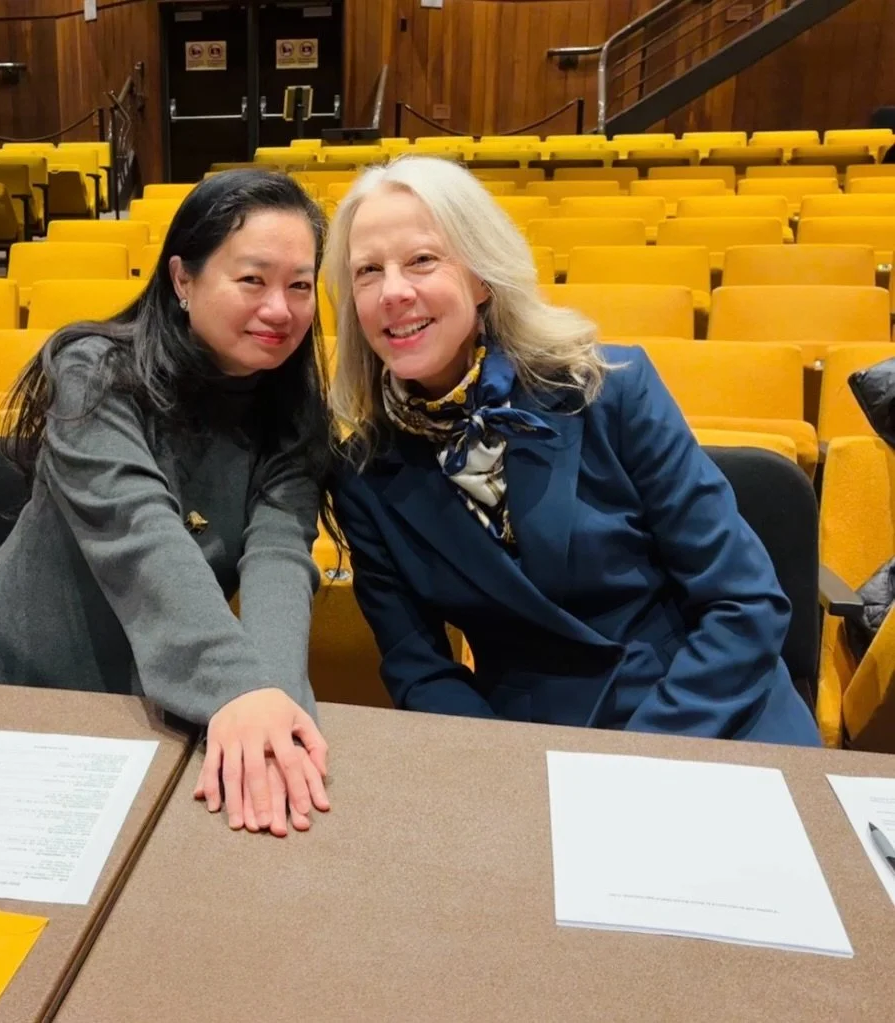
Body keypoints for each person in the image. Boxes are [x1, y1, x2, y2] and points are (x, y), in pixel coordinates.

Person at [324, 156, 820, 745]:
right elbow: (417, 665)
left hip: (707, 709)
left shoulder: (612, 389)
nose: (394, 292)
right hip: (532, 744)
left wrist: (638, 757)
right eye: (368, 272)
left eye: (422, 260)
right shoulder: (363, 474)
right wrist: (503, 760)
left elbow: (744, 603)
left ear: (482, 278)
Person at [0, 169, 334, 835]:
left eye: (300, 285)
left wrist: (275, 706)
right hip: (5, 691)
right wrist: (240, 689)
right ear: (183, 279)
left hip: (147, 710)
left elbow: (280, 559)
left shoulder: (294, 416)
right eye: (252, 279)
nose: (280, 308)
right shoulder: (94, 373)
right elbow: (141, 535)